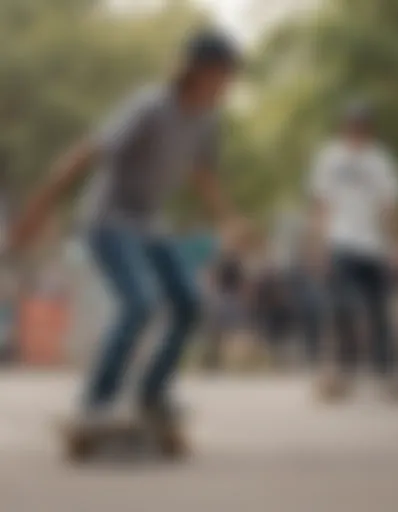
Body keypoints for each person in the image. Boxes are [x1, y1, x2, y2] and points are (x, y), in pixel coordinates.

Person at [6, 30, 247, 429]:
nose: (226, 85)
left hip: (149, 223)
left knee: (189, 303)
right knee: (141, 302)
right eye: (223, 75)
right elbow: (89, 152)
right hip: (107, 219)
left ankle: (152, 394)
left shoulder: (207, 119)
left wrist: (229, 218)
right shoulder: (150, 106)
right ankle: (97, 402)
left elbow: (202, 173)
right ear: (198, 71)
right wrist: (38, 208)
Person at [309, 99, 398, 398]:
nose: (356, 131)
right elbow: (321, 204)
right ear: (344, 126)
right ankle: (342, 369)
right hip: (340, 242)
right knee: (341, 305)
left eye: (362, 126)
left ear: (370, 129)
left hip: (374, 246)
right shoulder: (329, 158)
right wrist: (318, 244)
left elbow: (391, 205)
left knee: (378, 308)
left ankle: (386, 370)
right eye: (352, 125)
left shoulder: (381, 161)